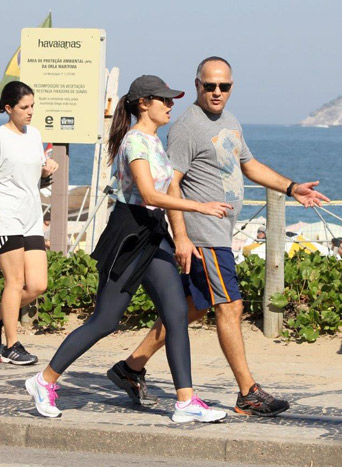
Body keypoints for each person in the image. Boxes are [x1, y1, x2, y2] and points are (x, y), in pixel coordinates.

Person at [109, 57, 329, 417]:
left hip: (220, 233)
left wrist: (292, 188)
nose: (216, 92)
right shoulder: (186, 127)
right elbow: (171, 183)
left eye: (223, 86)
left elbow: (249, 165)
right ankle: (248, 393)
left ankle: (130, 367)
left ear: (231, 87)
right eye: (209, 85)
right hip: (204, 234)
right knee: (230, 305)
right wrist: (181, 236)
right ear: (197, 85)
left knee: (191, 308)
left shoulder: (231, 121)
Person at [25, 75, 231, 422]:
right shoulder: (136, 142)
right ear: (143, 103)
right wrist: (200, 207)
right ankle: (43, 381)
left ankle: (185, 402)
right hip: (129, 234)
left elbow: (162, 196)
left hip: (152, 231)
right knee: (105, 320)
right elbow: (149, 194)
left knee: (176, 312)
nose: (170, 105)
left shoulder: (153, 141)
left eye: (171, 100)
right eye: (163, 100)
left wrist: (180, 236)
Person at [0, 80, 58, 365]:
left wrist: (46, 171)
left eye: (32, 106)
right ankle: (11, 346)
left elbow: (35, 178)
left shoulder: (35, 134)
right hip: (5, 216)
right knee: (14, 282)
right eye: (24, 107)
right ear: (8, 108)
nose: (30, 112)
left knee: (38, 285)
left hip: (31, 217)